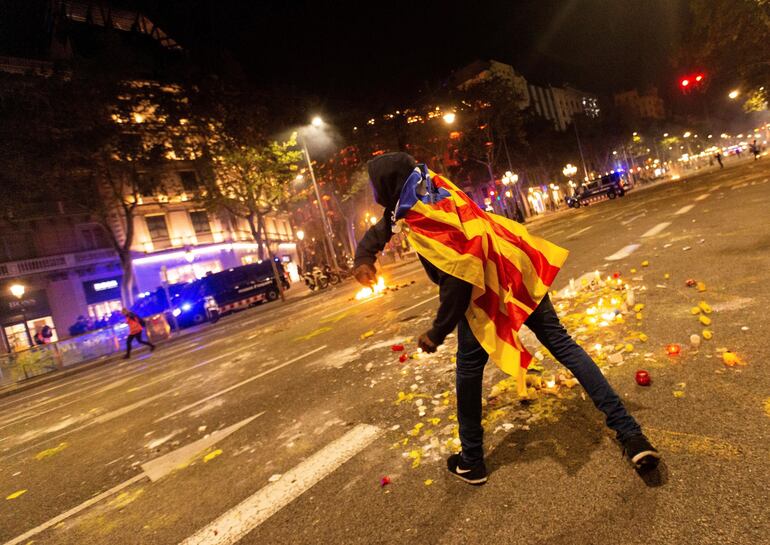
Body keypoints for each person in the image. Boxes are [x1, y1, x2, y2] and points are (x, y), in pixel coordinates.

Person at [353, 152, 660, 485]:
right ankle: (631, 435)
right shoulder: (427, 186)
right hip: (515, 268)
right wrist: (364, 258)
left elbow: (458, 280)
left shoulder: (424, 218)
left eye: (375, 185)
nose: (374, 192)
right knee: (563, 345)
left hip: (488, 289)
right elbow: (385, 224)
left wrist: (437, 332)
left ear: (388, 183)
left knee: (468, 370)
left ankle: (471, 460)